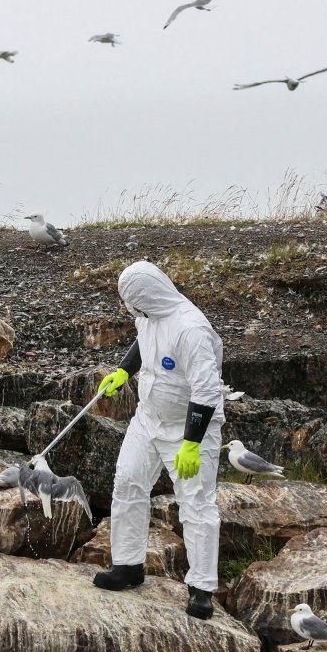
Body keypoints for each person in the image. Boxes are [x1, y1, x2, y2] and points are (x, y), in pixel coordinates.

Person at [91, 261, 223, 619]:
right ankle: (129, 566)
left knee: (196, 503)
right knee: (128, 481)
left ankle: (201, 588)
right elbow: (142, 341)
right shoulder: (149, 314)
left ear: (148, 295)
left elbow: (207, 390)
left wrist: (192, 442)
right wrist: (123, 371)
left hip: (189, 426)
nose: (131, 310)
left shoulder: (191, 330)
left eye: (133, 302)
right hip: (148, 417)